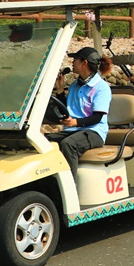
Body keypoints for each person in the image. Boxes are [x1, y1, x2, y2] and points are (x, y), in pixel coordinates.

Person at [48, 47, 112, 180]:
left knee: (68, 144)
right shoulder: (74, 85)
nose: (72, 62)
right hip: (75, 130)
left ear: (84, 63)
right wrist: (60, 90)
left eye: (75, 59)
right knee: (46, 141)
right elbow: (66, 109)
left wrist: (75, 122)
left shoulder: (101, 87)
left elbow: (97, 117)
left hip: (94, 132)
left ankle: (70, 190)